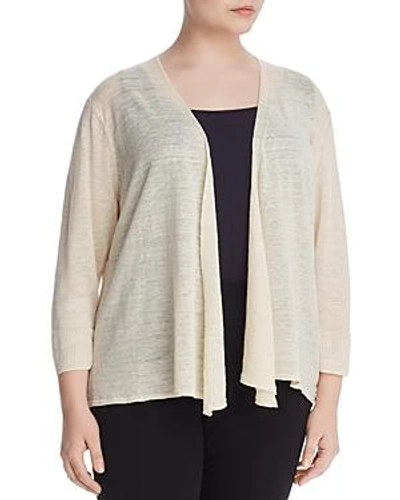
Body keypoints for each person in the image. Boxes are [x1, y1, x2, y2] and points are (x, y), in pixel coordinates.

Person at [51, 1, 351, 499]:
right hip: (144, 371)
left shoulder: (302, 101)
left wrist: (330, 399)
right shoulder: (120, 100)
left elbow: (329, 259)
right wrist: (71, 404)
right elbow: (79, 265)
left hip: (273, 377)